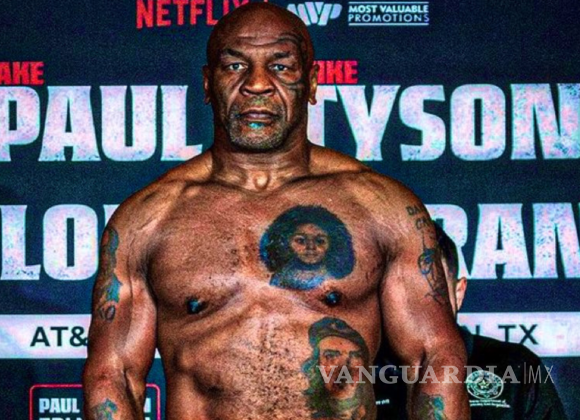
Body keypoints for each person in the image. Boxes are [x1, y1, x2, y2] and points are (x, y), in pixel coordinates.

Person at [82, 3, 469, 419]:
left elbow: (434, 357)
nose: (257, 84)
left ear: (312, 82)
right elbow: (113, 376)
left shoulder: (381, 207)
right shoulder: (147, 220)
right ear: (208, 83)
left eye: (281, 67)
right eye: (235, 66)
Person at [374, 224, 568, 420]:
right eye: (404, 293)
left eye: (432, 292)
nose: (419, 306)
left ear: (458, 293)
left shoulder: (519, 368)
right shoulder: (361, 373)